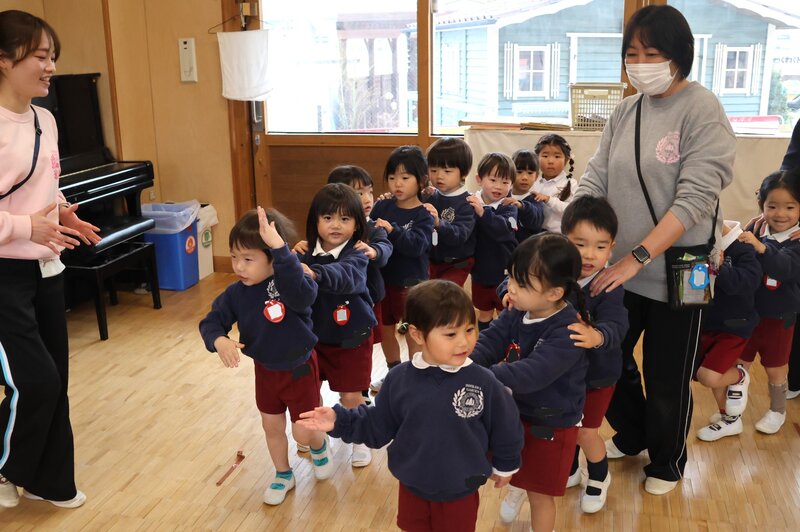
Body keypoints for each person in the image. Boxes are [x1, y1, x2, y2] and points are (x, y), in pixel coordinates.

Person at [575, 5, 735, 495]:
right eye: (632, 53)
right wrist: (571, 231)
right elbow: (596, 176)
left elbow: (694, 200)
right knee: (608, 357)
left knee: (669, 372)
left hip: (687, 267)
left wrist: (637, 258)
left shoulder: (702, 108)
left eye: (652, 53)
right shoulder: (627, 111)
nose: (640, 63)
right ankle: (636, 432)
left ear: (679, 55)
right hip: (619, 268)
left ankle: (667, 461)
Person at [297, 280, 524, 532]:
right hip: (412, 485)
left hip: (461, 488)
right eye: (451, 334)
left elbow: (506, 425)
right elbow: (377, 425)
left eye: (470, 330)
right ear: (417, 335)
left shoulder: (483, 380)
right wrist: (339, 421)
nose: (464, 342)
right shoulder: (399, 379)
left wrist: (506, 464)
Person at [0, 10, 101, 510]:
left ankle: (50, 481)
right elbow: (20, 215)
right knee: (34, 381)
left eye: (52, 56)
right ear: (3, 60)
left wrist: (62, 213)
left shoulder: (46, 119)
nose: (50, 67)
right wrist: (26, 227)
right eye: (40, 56)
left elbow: (43, 187)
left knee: (55, 382)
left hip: (47, 266)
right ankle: (5, 467)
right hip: (5, 275)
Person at [199, 208, 334, 505]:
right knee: (271, 426)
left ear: (273, 257)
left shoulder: (293, 282)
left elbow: (305, 296)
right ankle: (283, 474)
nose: (239, 266)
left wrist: (281, 250)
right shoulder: (236, 293)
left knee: (303, 433)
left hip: (299, 368)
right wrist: (219, 339)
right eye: (234, 257)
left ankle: (319, 444)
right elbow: (211, 322)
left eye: (248, 259)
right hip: (266, 371)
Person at [471, 234, 589, 532]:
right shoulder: (519, 310)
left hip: (552, 425)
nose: (510, 288)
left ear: (554, 293)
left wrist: (481, 376)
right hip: (517, 413)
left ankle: (527, 492)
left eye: (521, 284)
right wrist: (466, 362)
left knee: (541, 496)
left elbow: (533, 373)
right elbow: (491, 340)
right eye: (511, 277)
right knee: (517, 466)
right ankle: (518, 485)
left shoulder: (568, 331)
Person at [559, 197, 628, 513]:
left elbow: (617, 325)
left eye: (600, 247)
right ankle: (571, 469)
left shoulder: (608, 285)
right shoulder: (553, 272)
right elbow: (519, 276)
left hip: (598, 376)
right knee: (567, 426)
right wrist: (510, 293)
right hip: (562, 373)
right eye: (580, 244)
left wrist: (597, 335)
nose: (589, 255)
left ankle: (599, 476)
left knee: (586, 432)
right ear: (564, 241)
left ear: (611, 248)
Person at [300, 183, 377, 467]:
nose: (336, 225)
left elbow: (346, 276)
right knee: (311, 392)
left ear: (357, 224)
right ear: (315, 221)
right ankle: (318, 438)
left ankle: (360, 440)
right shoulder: (304, 252)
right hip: (315, 338)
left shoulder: (357, 252)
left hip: (352, 337)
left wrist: (314, 273)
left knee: (351, 394)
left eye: (345, 218)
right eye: (328, 217)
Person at [736, 169, 800, 434]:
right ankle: (732, 413)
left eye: (790, 207)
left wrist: (760, 247)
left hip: (779, 318)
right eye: (772, 206)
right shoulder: (755, 229)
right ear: (761, 205)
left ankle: (777, 411)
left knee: (776, 368)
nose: (780, 214)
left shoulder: (796, 240)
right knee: (739, 364)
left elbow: (785, 267)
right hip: (749, 315)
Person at [368, 146, 434, 394]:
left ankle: (416, 376)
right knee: (385, 329)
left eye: (405, 177)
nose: (397, 183)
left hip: (411, 285)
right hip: (384, 282)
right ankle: (393, 374)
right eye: (392, 177)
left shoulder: (424, 214)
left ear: (421, 180)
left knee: (412, 331)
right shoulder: (382, 207)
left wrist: (393, 230)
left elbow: (417, 246)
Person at [694, 220, 761, 442]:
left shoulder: (742, 246)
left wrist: (719, 267)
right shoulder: (702, 242)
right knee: (709, 372)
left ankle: (741, 376)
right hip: (708, 323)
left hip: (734, 326)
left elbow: (747, 283)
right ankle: (729, 419)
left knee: (709, 376)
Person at [466, 152, 518, 330]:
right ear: (479, 179)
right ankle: (485, 343)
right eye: (493, 180)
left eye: (505, 182)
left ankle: (505, 344)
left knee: (505, 312)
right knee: (484, 312)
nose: (498, 186)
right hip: (480, 272)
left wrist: (483, 213)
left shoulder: (509, 205)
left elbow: (504, 229)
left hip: (504, 272)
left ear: (511, 184)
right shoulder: (471, 201)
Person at [423, 137, 477, 287]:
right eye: (434, 170)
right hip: (433, 260)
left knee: (445, 292)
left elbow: (460, 235)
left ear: (464, 173)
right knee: (425, 291)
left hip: (458, 262)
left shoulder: (468, 202)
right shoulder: (430, 196)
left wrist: (439, 223)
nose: (439, 176)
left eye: (447, 171)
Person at [530, 134, 576, 234]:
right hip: (534, 235)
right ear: (537, 158)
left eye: (557, 156)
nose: (550, 161)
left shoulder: (571, 183)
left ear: (566, 160)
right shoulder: (532, 181)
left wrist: (549, 199)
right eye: (545, 156)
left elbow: (572, 211)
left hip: (559, 235)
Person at [505, 148, 544, 243]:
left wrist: (522, 206)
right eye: (519, 172)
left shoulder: (536, 199)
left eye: (530, 173)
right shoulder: (503, 195)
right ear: (510, 173)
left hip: (526, 247)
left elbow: (536, 222)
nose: (525, 177)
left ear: (536, 176)